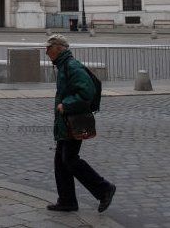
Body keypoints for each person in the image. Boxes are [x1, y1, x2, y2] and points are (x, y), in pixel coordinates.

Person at [45, 34, 116, 213]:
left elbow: (88, 91)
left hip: (73, 121)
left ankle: (104, 188)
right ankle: (67, 201)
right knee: (61, 162)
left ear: (58, 48)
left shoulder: (71, 66)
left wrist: (66, 105)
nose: (46, 52)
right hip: (66, 121)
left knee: (69, 160)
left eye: (48, 48)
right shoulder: (63, 65)